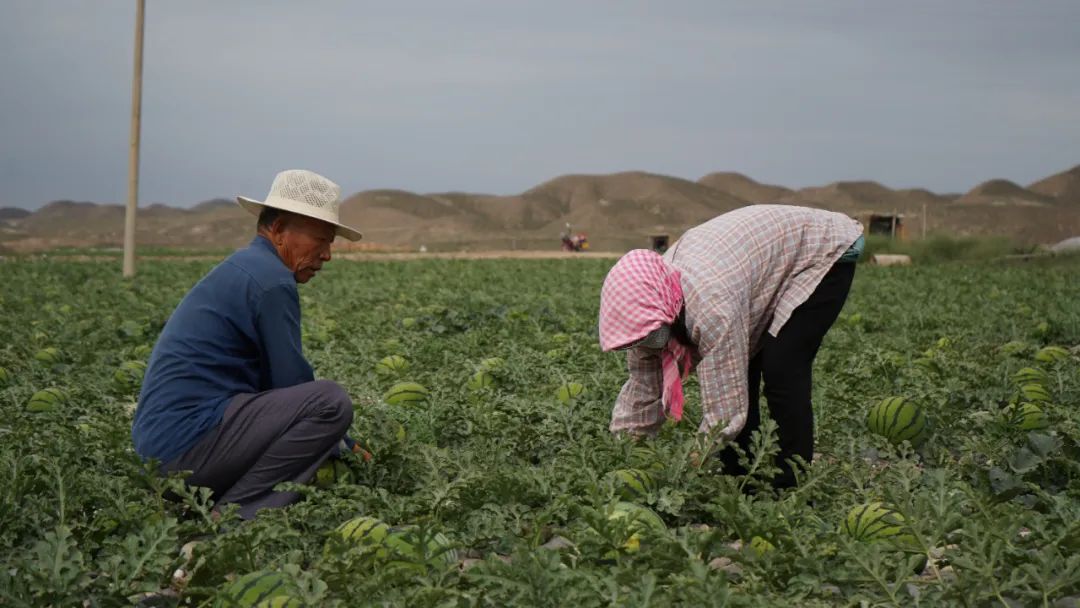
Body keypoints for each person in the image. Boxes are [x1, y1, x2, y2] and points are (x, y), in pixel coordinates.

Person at [132, 169, 366, 519]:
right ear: (279, 229)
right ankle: (234, 519)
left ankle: (218, 501)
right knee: (331, 402)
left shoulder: (248, 267)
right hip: (185, 447)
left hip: (162, 450)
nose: (327, 254)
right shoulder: (271, 281)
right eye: (321, 239)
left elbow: (273, 394)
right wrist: (344, 445)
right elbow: (293, 385)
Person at [598, 205, 865, 488]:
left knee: (782, 370)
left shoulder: (711, 308)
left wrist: (687, 468)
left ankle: (791, 485)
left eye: (649, 336)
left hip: (819, 251)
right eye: (639, 339)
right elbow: (643, 389)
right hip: (748, 266)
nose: (647, 344)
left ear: (666, 311)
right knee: (741, 368)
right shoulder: (649, 309)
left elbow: (725, 410)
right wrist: (624, 451)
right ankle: (738, 473)